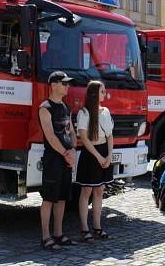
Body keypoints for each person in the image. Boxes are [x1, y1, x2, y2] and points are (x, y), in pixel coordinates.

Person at [38, 71, 78, 251]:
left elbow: (71, 131)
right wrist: (65, 153)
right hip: (53, 158)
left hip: (65, 157)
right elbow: (50, 136)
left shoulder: (65, 107)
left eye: (68, 84)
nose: (67, 86)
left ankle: (58, 234)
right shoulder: (45, 108)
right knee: (49, 198)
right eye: (64, 83)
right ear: (53, 85)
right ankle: (45, 237)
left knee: (62, 198)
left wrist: (73, 150)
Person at [75, 81, 114, 241]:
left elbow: (110, 135)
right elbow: (83, 138)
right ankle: (84, 228)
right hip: (91, 154)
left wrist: (109, 155)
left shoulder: (106, 111)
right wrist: (98, 157)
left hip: (104, 151)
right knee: (87, 191)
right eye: (102, 92)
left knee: (99, 191)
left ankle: (97, 226)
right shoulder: (84, 113)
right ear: (93, 94)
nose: (105, 94)